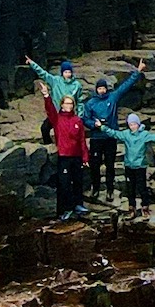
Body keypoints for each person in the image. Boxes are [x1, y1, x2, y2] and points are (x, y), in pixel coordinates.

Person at [81, 59, 146, 200]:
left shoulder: (113, 97)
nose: (102, 91)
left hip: (110, 137)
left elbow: (125, 86)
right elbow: (85, 119)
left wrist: (138, 71)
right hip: (96, 138)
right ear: (96, 89)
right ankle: (96, 188)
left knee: (110, 165)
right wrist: (94, 124)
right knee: (95, 165)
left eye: (104, 88)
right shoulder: (91, 103)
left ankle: (110, 190)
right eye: (99, 88)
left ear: (106, 89)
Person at [103, 112, 155, 214]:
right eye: (131, 124)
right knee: (130, 188)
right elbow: (114, 133)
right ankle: (132, 208)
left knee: (142, 187)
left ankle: (145, 207)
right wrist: (102, 128)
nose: (133, 126)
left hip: (140, 166)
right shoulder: (126, 134)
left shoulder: (144, 135)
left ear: (138, 124)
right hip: (129, 166)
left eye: (135, 124)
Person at [44, 90, 91, 220]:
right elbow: (50, 109)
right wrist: (47, 96)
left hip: (76, 156)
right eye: (66, 103)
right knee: (64, 184)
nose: (69, 106)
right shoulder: (57, 118)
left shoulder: (77, 120)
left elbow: (82, 140)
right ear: (62, 105)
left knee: (78, 182)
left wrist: (85, 157)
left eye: (71, 104)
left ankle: (78, 205)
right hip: (64, 156)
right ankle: (66, 209)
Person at [24, 57, 84, 145]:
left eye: (69, 72)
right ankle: (49, 146)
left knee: (67, 134)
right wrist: (32, 64)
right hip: (55, 113)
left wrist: (80, 117)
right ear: (62, 72)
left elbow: (80, 101)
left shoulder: (77, 85)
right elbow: (43, 74)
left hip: (69, 115)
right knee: (44, 128)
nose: (67, 74)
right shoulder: (55, 81)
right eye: (65, 72)